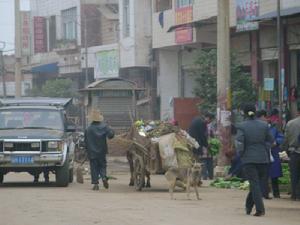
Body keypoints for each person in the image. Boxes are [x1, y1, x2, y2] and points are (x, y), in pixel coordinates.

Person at [236, 104, 274, 216]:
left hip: (249, 159)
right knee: (256, 185)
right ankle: (248, 207)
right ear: (255, 112)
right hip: (263, 159)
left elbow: (239, 143)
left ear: (244, 113)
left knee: (254, 184)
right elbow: (270, 140)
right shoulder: (264, 125)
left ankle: (260, 210)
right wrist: (264, 148)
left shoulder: (241, 126)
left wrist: (242, 155)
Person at [84, 110, 114, 191]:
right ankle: (104, 177)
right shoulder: (104, 127)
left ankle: (96, 184)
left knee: (94, 167)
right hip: (102, 151)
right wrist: (111, 129)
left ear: (92, 119)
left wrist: (86, 151)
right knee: (102, 165)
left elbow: (85, 142)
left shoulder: (88, 129)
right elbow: (111, 136)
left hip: (92, 152)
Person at [282, 108, 300, 201]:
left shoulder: (290, 123)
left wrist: (284, 150)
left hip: (294, 152)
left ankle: (294, 194)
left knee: (294, 174)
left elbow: (286, 139)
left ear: (298, 112)